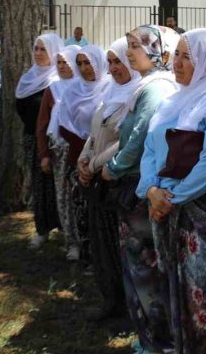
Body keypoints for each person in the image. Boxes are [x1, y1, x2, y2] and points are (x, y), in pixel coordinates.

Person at [138, 28, 206, 352]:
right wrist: (151, 190)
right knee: (175, 293)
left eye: (188, 57)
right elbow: (150, 151)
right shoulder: (172, 103)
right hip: (166, 208)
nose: (177, 63)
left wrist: (171, 198)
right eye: (177, 55)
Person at [102, 25, 179, 352]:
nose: (131, 51)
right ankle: (152, 336)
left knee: (146, 269)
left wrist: (112, 168)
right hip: (138, 186)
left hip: (140, 187)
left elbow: (138, 140)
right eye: (130, 45)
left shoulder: (156, 89)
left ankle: (159, 341)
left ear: (158, 51)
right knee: (142, 267)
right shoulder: (147, 85)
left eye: (137, 46)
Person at [76, 38, 138, 321]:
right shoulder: (111, 92)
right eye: (110, 62)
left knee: (119, 245)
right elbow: (95, 132)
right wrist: (83, 159)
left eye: (120, 61)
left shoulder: (137, 95)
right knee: (101, 243)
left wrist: (96, 163)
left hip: (118, 178)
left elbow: (127, 139)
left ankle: (127, 306)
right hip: (97, 177)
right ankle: (110, 298)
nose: (114, 68)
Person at [55, 45, 108, 265]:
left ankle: (100, 253)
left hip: (103, 157)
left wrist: (95, 152)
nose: (84, 68)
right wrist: (83, 152)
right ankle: (79, 248)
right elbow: (63, 124)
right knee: (78, 206)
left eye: (88, 63)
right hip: (78, 156)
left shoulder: (109, 88)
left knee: (98, 209)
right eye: (80, 64)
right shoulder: (72, 90)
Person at [16, 33, 64, 250]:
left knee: (59, 186)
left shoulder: (58, 80)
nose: (38, 53)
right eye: (36, 48)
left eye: (43, 49)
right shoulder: (28, 78)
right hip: (32, 139)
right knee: (38, 185)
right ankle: (42, 229)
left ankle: (65, 227)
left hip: (55, 141)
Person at [37, 44, 82, 260]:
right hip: (60, 151)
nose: (63, 66)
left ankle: (86, 240)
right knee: (63, 197)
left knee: (80, 198)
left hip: (82, 151)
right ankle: (71, 242)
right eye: (60, 63)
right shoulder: (52, 88)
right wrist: (44, 153)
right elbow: (42, 124)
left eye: (67, 62)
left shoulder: (87, 87)